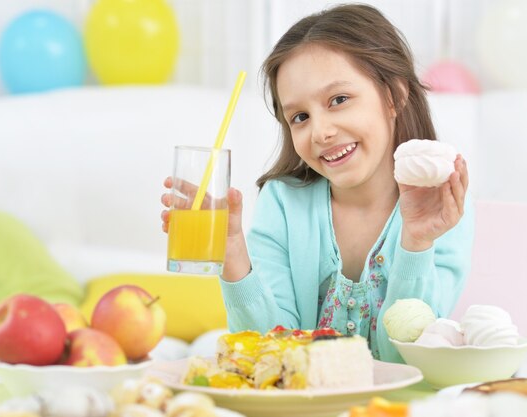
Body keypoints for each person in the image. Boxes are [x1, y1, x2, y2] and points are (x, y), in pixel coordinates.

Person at [161, 3, 474, 362]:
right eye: (300, 116)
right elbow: (271, 353)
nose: (321, 132)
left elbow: (403, 360)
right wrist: (233, 257)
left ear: (394, 96)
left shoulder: (443, 207)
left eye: (339, 100)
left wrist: (418, 243)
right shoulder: (283, 203)